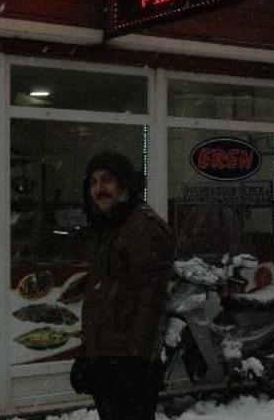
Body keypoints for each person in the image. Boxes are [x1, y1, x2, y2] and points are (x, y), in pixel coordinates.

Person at [70, 151, 174, 420]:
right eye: (94, 182)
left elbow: (151, 301)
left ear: (125, 185)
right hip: (107, 359)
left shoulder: (143, 228)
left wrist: (137, 362)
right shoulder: (108, 227)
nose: (99, 189)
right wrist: (88, 353)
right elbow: (102, 298)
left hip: (128, 363)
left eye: (107, 180)